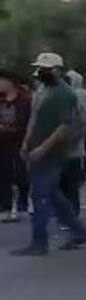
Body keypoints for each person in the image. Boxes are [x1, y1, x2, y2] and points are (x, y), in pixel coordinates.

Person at [11, 52, 86, 256]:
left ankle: (39, 242)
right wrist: (26, 143)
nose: (41, 72)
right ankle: (79, 231)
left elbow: (64, 127)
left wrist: (42, 148)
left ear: (57, 70)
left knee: (40, 195)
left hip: (53, 152)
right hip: (37, 149)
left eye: (45, 69)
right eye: (40, 68)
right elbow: (34, 119)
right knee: (53, 195)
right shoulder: (43, 90)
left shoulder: (65, 95)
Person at [58, 69, 86, 216]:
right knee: (64, 183)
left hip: (71, 147)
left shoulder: (76, 98)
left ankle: (70, 212)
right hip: (64, 148)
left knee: (69, 183)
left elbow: (83, 120)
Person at [0, 70, 31, 222]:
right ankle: (4, 207)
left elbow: (28, 122)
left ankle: (23, 204)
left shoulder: (24, 101)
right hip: (2, 142)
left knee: (21, 173)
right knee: (3, 174)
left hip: (20, 140)